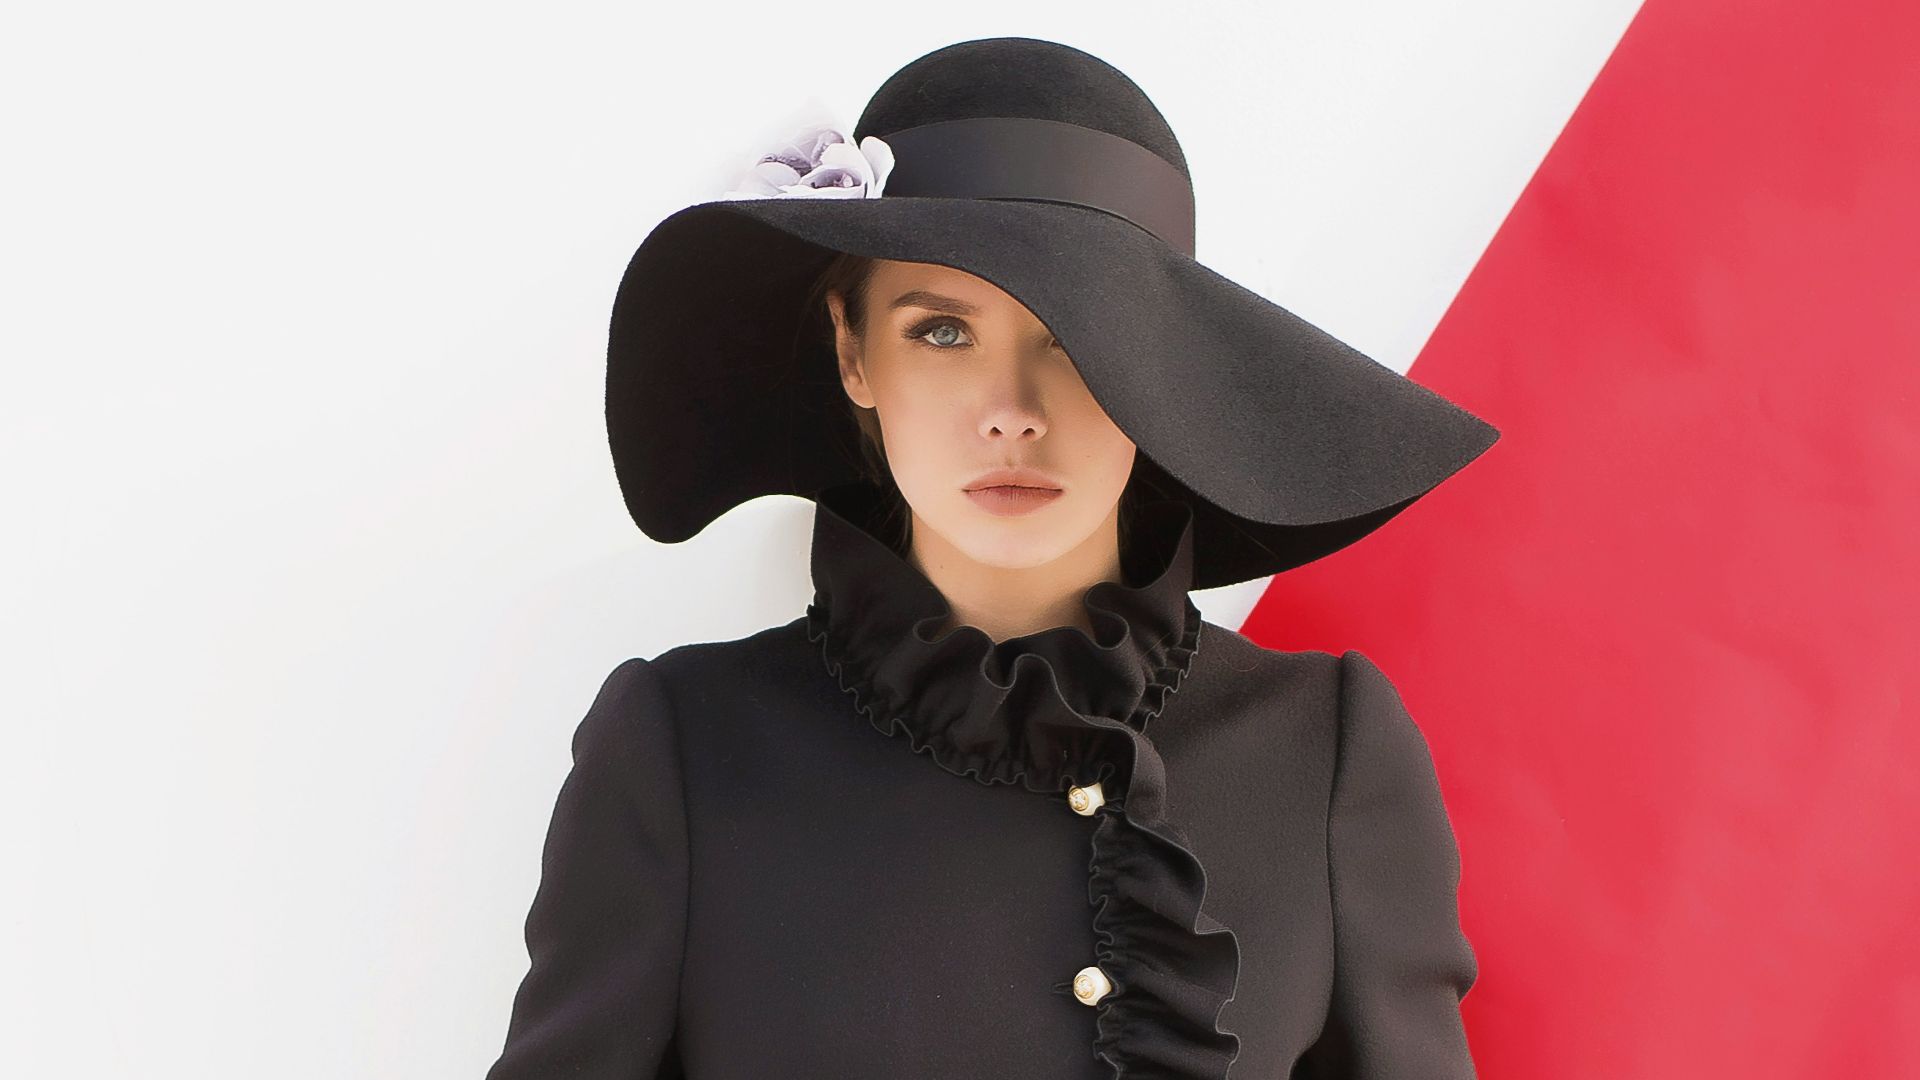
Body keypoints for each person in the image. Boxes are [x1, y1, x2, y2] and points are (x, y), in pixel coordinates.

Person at [485, 35, 1499, 1080]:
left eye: (1073, 337)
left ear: (1163, 366)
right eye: (941, 332)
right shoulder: (684, 751)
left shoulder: (1326, 751)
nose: (1012, 413)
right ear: (852, 351)